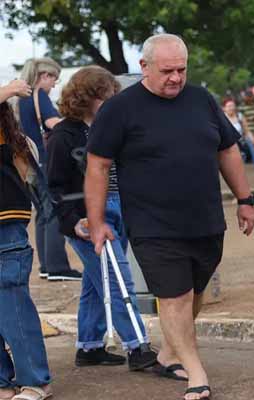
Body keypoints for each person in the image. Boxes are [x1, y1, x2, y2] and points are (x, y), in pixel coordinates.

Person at [85, 34, 254, 400]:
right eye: (167, 71)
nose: (176, 77)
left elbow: (227, 149)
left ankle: (168, 354)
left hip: (205, 219)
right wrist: (97, 222)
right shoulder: (119, 109)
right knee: (174, 296)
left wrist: (245, 199)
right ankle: (196, 372)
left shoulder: (201, 100)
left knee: (195, 291)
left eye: (181, 69)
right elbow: (97, 165)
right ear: (144, 67)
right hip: (153, 224)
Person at [45, 66, 158, 371]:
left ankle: (90, 345)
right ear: (87, 97)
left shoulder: (109, 127)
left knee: (98, 281)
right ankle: (138, 346)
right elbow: (54, 186)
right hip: (86, 216)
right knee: (118, 279)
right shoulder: (63, 136)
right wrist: (73, 221)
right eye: (104, 97)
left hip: (119, 209)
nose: (110, 102)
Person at [1, 79, 54, 400]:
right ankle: (4, 383)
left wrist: (10, 89)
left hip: (6, 229)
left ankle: (36, 381)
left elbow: (37, 186)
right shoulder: (15, 139)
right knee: (9, 307)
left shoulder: (12, 140)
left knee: (13, 308)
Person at [17, 57, 81, 281]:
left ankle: (46, 265)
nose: (54, 84)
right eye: (54, 78)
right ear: (44, 76)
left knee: (43, 214)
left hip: (29, 162)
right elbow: (53, 123)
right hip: (45, 160)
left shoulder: (21, 98)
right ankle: (57, 267)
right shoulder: (40, 95)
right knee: (54, 210)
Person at [223, 98, 254, 165]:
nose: (231, 108)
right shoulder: (222, 117)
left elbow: (247, 130)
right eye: (229, 106)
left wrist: (253, 140)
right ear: (224, 108)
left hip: (240, 141)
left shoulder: (239, 116)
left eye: (233, 106)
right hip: (228, 143)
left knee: (253, 144)